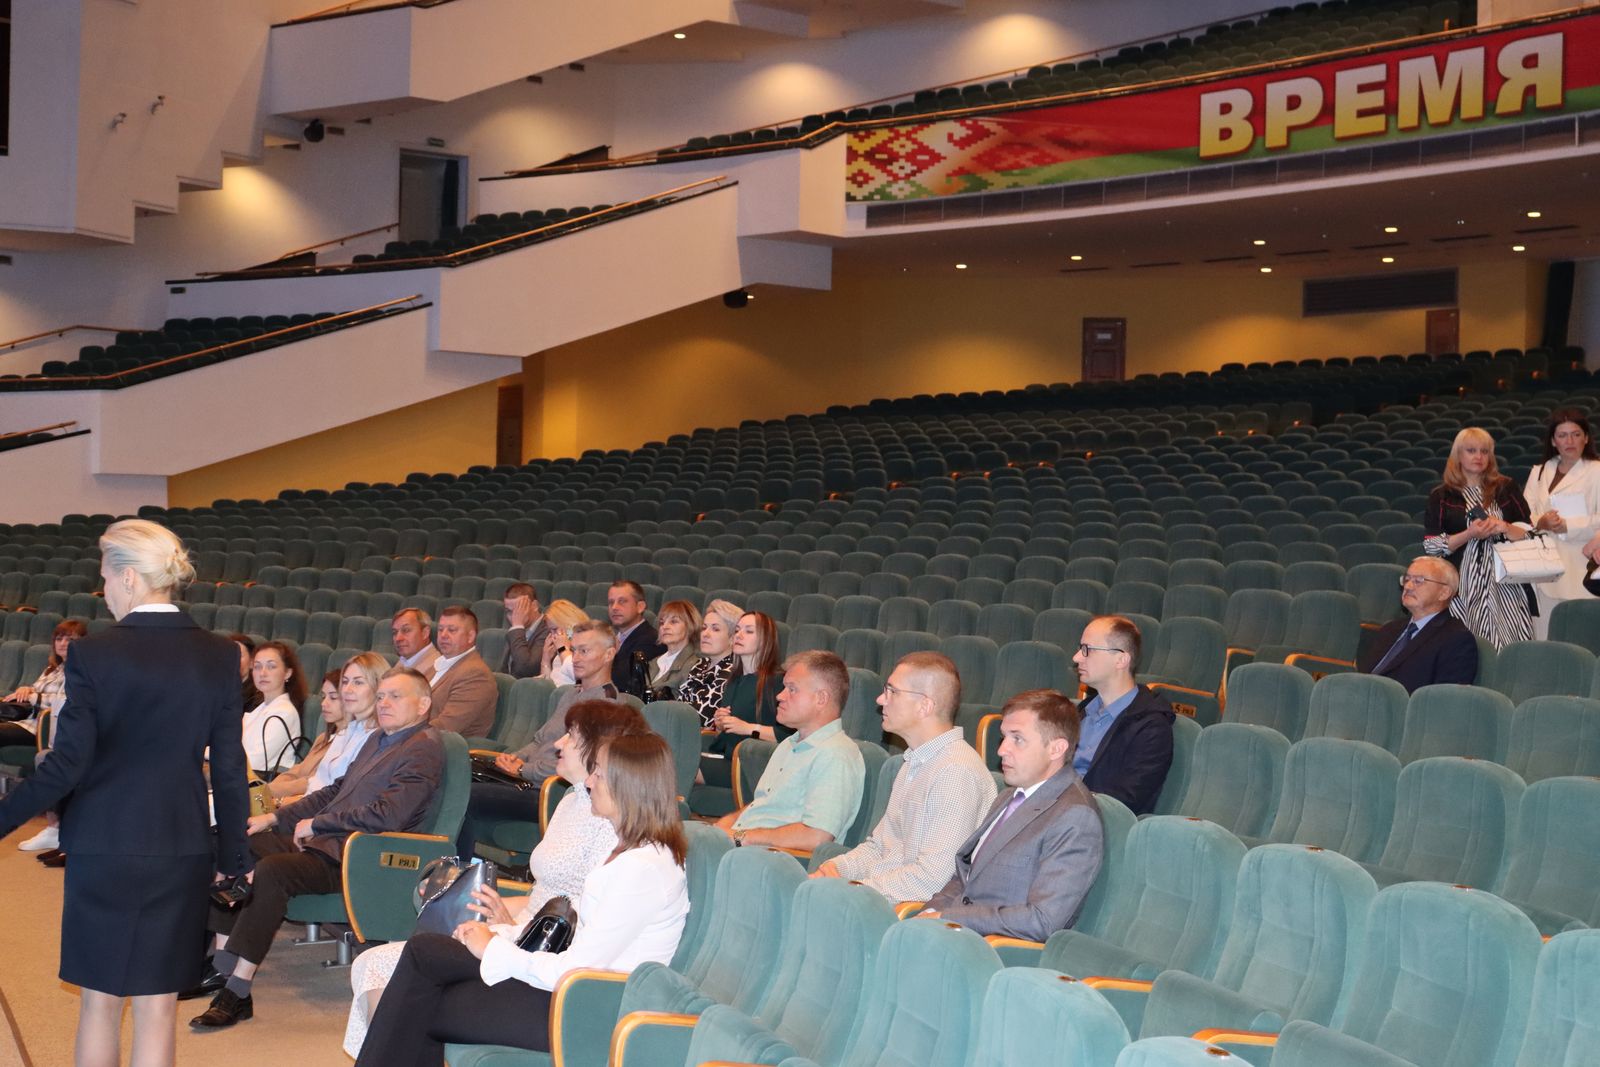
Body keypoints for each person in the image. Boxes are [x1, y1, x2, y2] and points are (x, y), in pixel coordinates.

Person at [0, 518, 249, 1067]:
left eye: (106, 578)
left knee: (100, 1004)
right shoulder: (218, 654)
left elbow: (66, 766)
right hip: (181, 844)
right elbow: (231, 768)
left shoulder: (94, 654)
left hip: (104, 845)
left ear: (130, 577)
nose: (105, 590)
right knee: (157, 1008)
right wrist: (234, 855)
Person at [353, 731, 689, 1066]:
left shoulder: (641, 871)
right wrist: (498, 939)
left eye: (598, 773)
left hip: (586, 1010)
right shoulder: (629, 853)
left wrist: (493, 948)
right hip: (574, 992)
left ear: (627, 785)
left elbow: (576, 971)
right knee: (425, 952)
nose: (589, 781)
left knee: (421, 1000)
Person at [189, 667, 444, 1030]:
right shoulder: (379, 739)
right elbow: (334, 791)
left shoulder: (423, 748)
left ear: (423, 704)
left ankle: (237, 989)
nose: (384, 703)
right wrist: (275, 819)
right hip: (326, 844)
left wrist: (318, 824)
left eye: (395, 696)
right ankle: (219, 962)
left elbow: (389, 814)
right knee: (233, 841)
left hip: (358, 858)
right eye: (381, 696)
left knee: (273, 870)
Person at [922, 688, 1104, 942]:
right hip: (957, 936)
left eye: (1017, 739)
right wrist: (929, 912)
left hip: (997, 950)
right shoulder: (1009, 796)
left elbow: (1042, 920)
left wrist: (949, 918)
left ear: (1056, 749)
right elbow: (965, 877)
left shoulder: (1075, 817)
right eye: (1004, 737)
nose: (1001, 750)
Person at [813, 652, 996, 902]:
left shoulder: (956, 771)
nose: (880, 700)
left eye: (892, 691)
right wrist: (837, 868)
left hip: (912, 914)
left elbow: (934, 880)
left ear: (925, 705)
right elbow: (880, 848)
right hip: (883, 899)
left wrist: (853, 890)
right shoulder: (914, 762)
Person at [458, 620, 622, 857]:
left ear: (609, 654)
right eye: (574, 650)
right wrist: (514, 759)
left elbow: (581, 763)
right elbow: (540, 740)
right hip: (526, 781)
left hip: (551, 791)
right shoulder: (570, 694)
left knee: (464, 795)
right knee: (456, 780)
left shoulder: (606, 704)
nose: (575, 658)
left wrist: (523, 770)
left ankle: (460, 869)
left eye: (584, 651)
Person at [715, 650, 864, 851]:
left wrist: (740, 837)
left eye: (792, 689)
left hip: (773, 859)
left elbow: (817, 837)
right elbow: (762, 804)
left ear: (821, 699)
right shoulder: (788, 744)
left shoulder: (836, 754)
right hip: (746, 849)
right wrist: (721, 828)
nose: (780, 696)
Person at [1424, 426, 1536, 650]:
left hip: (1505, 583)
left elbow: (1530, 533)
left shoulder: (1506, 488)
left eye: (1484, 451)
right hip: (1462, 586)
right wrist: (1469, 534)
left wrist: (1504, 527)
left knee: (1510, 644)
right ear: (1458, 455)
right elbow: (1431, 546)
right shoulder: (1441, 495)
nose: (1479, 457)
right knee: (1465, 647)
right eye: (1471, 450)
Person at [1071, 615, 1175, 816]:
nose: (1076, 657)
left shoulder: (1151, 727)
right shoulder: (1082, 712)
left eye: (1087, 649)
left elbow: (1123, 802)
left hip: (1091, 821)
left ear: (1121, 660)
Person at [4, 619, 89, 859]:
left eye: (70, 639)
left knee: (44, 757)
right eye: (59, 638)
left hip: (44, 728)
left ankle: (54, 827)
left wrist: (34, 697)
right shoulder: (52, 669)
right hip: (27, 721)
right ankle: (53, 827)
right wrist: (25, 689)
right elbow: (35, 692)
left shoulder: (81, 670)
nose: (63, 643)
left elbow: (66, 702)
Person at [1522, 409, 1600, 638]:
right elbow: (1525, 515)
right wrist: (1541, 522)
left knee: (1580, 638)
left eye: (1576, 434)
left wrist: (1568, 526)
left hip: (1582, 565)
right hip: (1543, 567)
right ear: (1553, 441)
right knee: (1545, 635)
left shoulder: (1596, 470)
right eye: (1562, 435)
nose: (1570, 441)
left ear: (1586, 438)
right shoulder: (1539, 472)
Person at [268, 653, 385, 801]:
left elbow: (327, 793)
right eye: (345, 682)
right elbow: (310, 781)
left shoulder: (376, 740)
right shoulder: (342, 736)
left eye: (358, 682)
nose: (347, 689)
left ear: (378, 688)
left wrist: (277, 802)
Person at [1357, 557, 1479, 693]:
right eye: (1407, 579)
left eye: (1419, 581)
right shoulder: (1389, 629)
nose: (1408, 586)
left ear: (1444, 593)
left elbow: (1445, 698)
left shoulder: (1456, 639)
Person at [701, 610, 789, 789]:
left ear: (765, 640)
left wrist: (748, 728)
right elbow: (726, 736)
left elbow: (788, 736)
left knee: (677, 767)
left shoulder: (779, 681)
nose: (739, 635)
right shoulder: (734, 680)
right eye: (737, 630)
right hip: (726, 758)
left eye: (749, 631)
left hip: (753, 767)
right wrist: (720, 725)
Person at [426, 605, 497, 737]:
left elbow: (446, 726)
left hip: (445, 745)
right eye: (440, 630)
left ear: (470, 636)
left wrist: (402, 733)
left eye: (451, 630)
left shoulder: (475, 674)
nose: (443, 635)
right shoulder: (438, 664)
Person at [241, 641, 305, 777]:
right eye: (257, 667)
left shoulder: (285, 712)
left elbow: (253, 761)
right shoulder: (259, 708)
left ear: (287, 673)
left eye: (271, 666)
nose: (262, 673)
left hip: (261, 783)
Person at [676, 599, 741, 725]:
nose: (705, 634)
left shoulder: (732, 670)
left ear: (732, 638)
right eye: (704, 628)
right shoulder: (700, 664)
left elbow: (702, 716)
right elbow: (680, 702)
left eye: (715, 629)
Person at [607, 580, 662, 697]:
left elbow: (622, 681)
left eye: (622, 601)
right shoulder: (613, 638)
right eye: (611, 602)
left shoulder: (651, 640)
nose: (614, 607)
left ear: (640, 607)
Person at [644, 599, 703, 696]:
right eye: (662, 622)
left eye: (673, 621)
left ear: (690, 625)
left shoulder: (695, 665)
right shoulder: (653, 662)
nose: (665, 627)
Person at [501, 583, 549, 678]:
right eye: (509, 611)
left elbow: (526, 670)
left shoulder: (548, 630)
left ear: (534, 606)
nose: (514, 617)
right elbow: (506, 669)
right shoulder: (515, 630)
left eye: (519, 610)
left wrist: (518, 626)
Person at [540, 600, 591, 686]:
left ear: (570, 627)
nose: (552, 636)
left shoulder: (588, 646)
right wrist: (545, 660)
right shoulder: (561, 653)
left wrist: (562, 649)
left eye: (555, 629)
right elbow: (546, 685)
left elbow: (578, 675)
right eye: (550, 631)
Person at [392, 608, 441, 675]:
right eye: (394, 632)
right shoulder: (404, 660)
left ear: (425, 633)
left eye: (406, 630)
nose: (398, 638)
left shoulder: (437, 669)